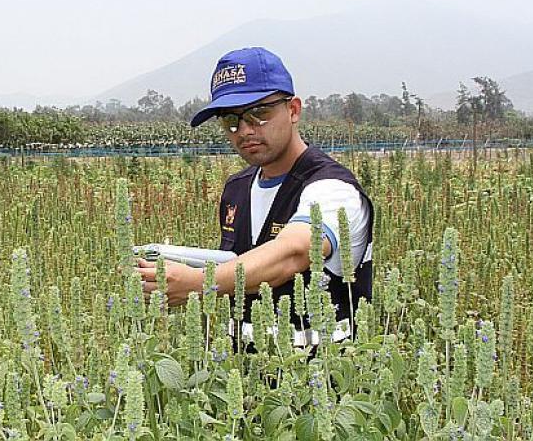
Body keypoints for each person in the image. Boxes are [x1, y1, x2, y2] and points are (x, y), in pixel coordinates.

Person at [137, 47, 374, 342]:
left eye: (259, 114)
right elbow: (240, 264)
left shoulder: (333, 190)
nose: (244, 130)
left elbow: (294, 252)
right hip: (245, 375)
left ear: (294, 110)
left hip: (321, 377)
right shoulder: (236, 189)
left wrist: (197, 284)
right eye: (230, 121)